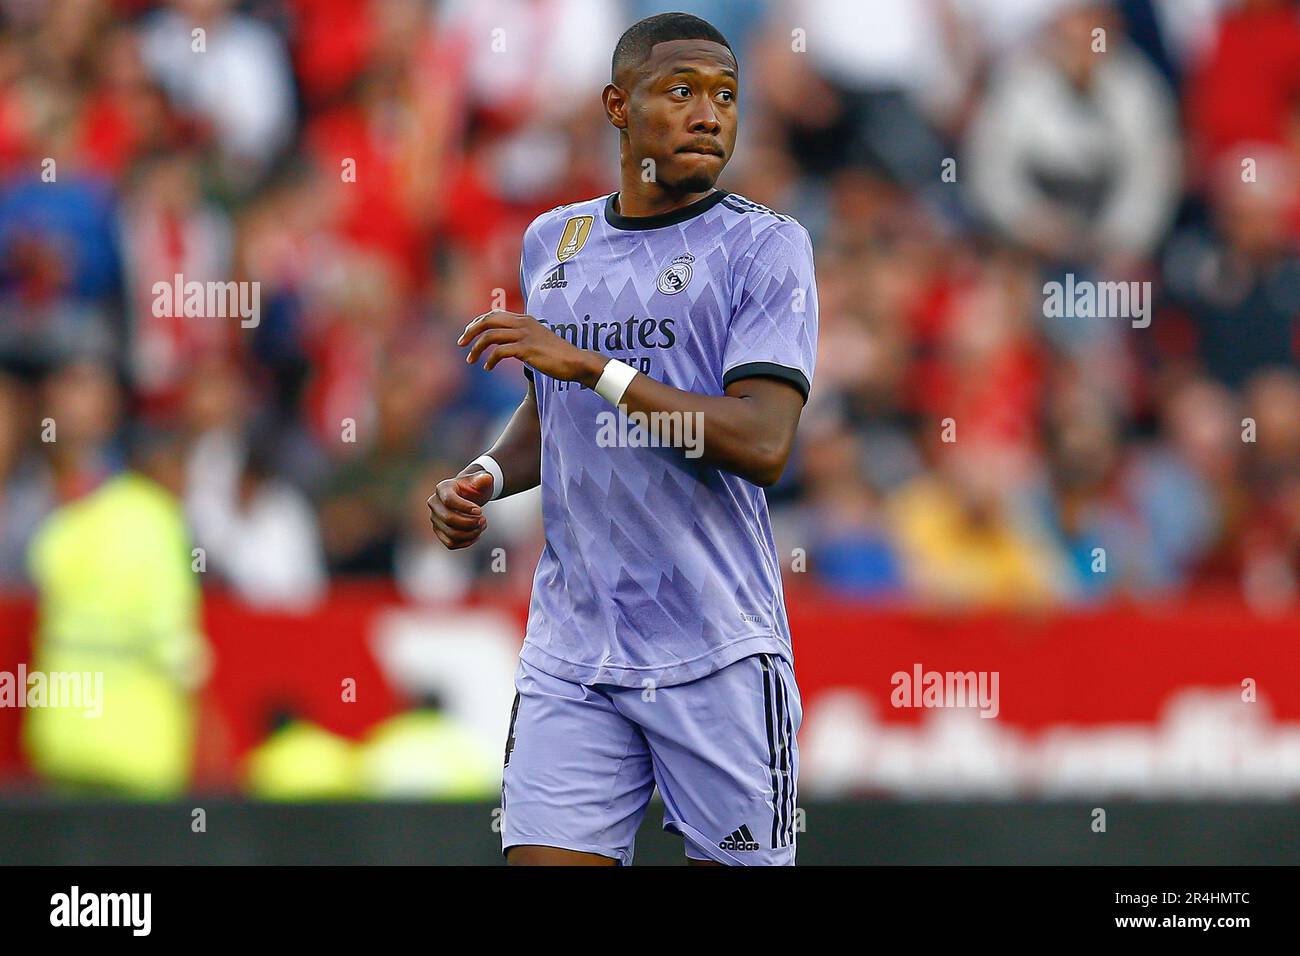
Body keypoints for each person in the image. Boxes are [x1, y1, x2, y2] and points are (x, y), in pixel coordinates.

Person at [428, 13, 818, 866]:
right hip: (575, 647)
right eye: (680, 91)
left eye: (725, 96)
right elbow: (554, 412)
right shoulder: (553, 242)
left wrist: (590, 365)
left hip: (714, 646)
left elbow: (760, 442)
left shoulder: (764, 247)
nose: (709, 114)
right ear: (617, 105)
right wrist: (486, 477)